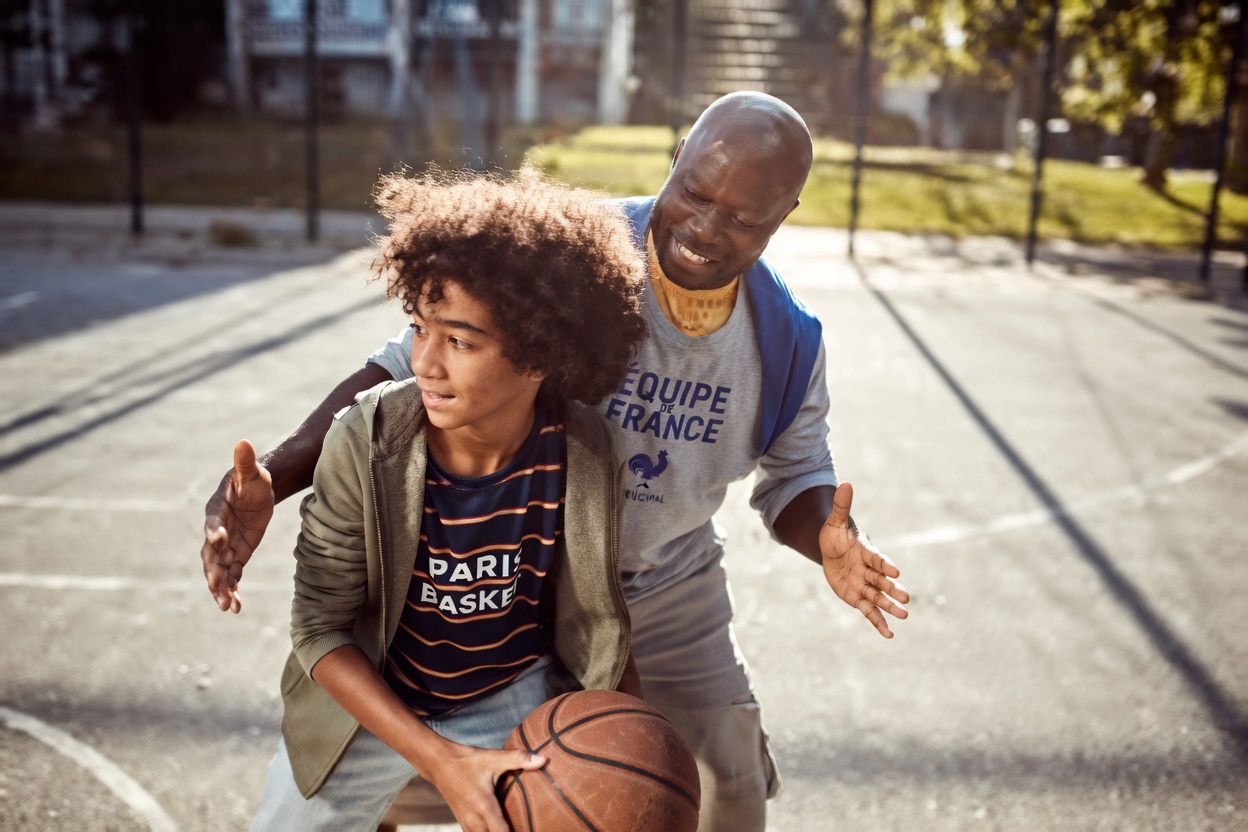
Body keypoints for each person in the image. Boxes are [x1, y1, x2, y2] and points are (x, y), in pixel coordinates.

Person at [204, 92, 909, 832]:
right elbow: (406, 376)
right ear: (675, 160)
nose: (706, 228)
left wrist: (829, 536)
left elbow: (798, 475)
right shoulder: (571, 254)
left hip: (666, 577)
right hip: (527, 569)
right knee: (497, 768)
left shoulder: (787, 340)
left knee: (719, 784)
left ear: (784, 215)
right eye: (695, 193)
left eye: (743, 219)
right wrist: (274, 479)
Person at [245, 169, 648, 832]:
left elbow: (598, 614)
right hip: (375, 692)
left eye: (459, 340)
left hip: (511, 690)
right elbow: (319, 630)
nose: (426, 363)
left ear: (541, 352)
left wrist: (631, 741)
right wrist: (439, 759)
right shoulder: (364, 441)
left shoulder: (585, 453)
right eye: (419, 329)